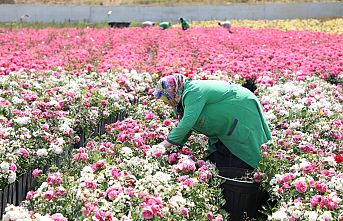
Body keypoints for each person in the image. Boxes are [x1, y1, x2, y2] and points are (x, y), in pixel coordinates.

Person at [153, 74, 271, 171]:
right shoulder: (179, 103)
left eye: (165, 98)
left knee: (245, 152)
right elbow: (186, 128)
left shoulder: (193, 91)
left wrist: (163, 145)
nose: (164, 102)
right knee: (219, 161)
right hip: (223, 128)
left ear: (172, 91)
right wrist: (173, 147)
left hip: (242, 109)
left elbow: (187, 122)